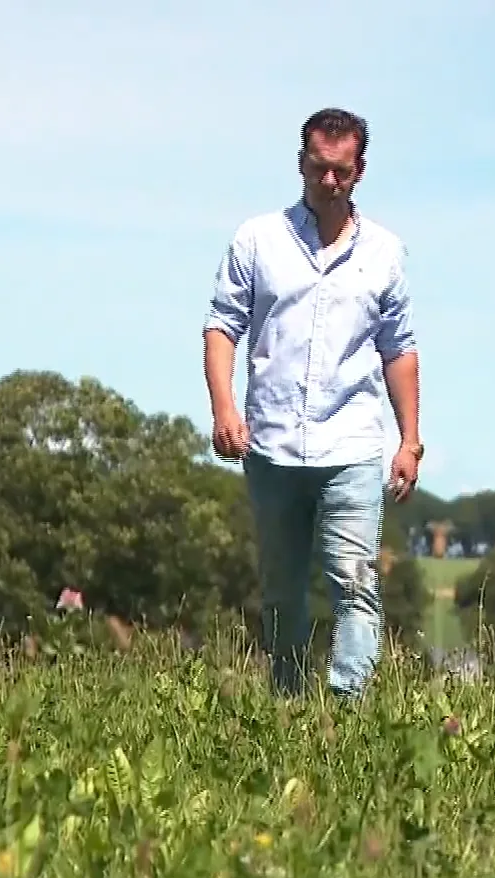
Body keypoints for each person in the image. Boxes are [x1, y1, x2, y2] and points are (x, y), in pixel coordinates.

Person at [202, 106, 425, 700]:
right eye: (319, 168)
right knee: (281, 590)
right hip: (271, 444)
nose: (329, 182)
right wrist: (225, 409)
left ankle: (346, 709)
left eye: (342, 172)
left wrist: (409, 439)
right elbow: (222, 328)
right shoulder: (257, 240)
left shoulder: (385, 251)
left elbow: (398, 348)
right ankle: (289, 704)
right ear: (301, 161)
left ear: (360, 171)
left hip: (350, 444)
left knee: (355, 583)